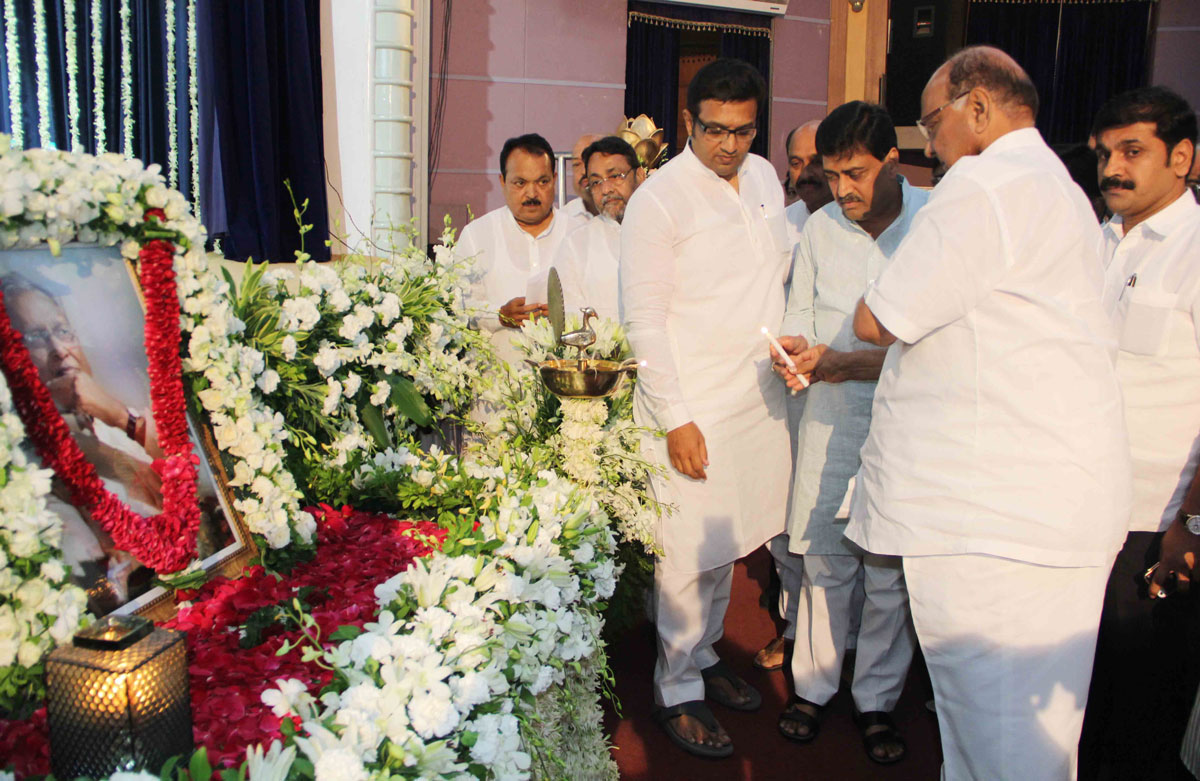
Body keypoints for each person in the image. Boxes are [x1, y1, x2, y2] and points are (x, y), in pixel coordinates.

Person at [848, 46, 1131, 780]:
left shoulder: (983, 183)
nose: (929, 143)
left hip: (993, 520)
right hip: (1041, 506)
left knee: (997, 748)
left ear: (977, 108)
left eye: (930, 122)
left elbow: (877, 319)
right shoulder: (1058, 185)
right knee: (1025, 745)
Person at [621, 57, 792, 759]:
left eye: (744, 130)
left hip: (757, 401)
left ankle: (706, 650)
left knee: (730, 541)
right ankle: (676, 687)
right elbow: (644, 321)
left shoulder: (766, 178)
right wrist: (676, 418)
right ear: (689, 121)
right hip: (691, 405)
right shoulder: (658, 201)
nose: (729, 144)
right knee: (687, 553)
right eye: (716, 129)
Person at [771, 101, 925, 765]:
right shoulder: (821, 228)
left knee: (889, 571)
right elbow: (800, 313)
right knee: (826, 563)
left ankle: (878, 701)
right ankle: (813, 687)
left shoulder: (935, 223)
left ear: (892, 161)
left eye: (855, 173)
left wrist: (846, 363)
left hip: (907, 421)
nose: (841, 190)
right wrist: (794, 349)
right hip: (829, 415)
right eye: (832, 176)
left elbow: (936, 348)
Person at [1078, 85, 1200, 780]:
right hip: (1079, 514)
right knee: (1079, 702)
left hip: (1155, 525)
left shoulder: (1194, 251)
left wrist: (1193, 524)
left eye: (1132, 151)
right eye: (1104, 154)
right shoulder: (1093, 242)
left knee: (1141, 714)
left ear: (1181, 157)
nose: (1112, 169)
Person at [2, 274, 161, 604]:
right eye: (34, 337)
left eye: (63, 331)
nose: (60, 351)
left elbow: (201, 492)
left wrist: (120, 417)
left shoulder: (121, 418)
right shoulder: (24, 476)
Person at [758, 117, 837, 674]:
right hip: (782, 396)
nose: (805, 173)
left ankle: (838, 640)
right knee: (785, 520)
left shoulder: (856, 227)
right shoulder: (778, 227)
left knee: (833, 522)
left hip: (843, 392)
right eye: (796, 162)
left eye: (816, 162)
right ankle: (792, 628)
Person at [458, 133, 568, 365]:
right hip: (497, 377)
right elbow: (460, 308)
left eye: (542, 182)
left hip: (566, 377)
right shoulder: (477, 235)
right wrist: (499, 315)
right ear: (502, 182)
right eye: (520, 183)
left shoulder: (576, 233)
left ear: (555, 179)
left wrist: (565, 313)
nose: (532, 193)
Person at [553, 136, 645, 321]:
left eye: (615, 176)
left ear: (640, 176)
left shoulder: (667, 230)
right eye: (596, 182)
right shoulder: (576, 245)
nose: (606, 189)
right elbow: (569, 316)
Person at [564, 133, 604, 231]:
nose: (583, 171)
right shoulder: (564, 219)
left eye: (589, 161)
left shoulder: (627, 214)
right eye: (577, 164)